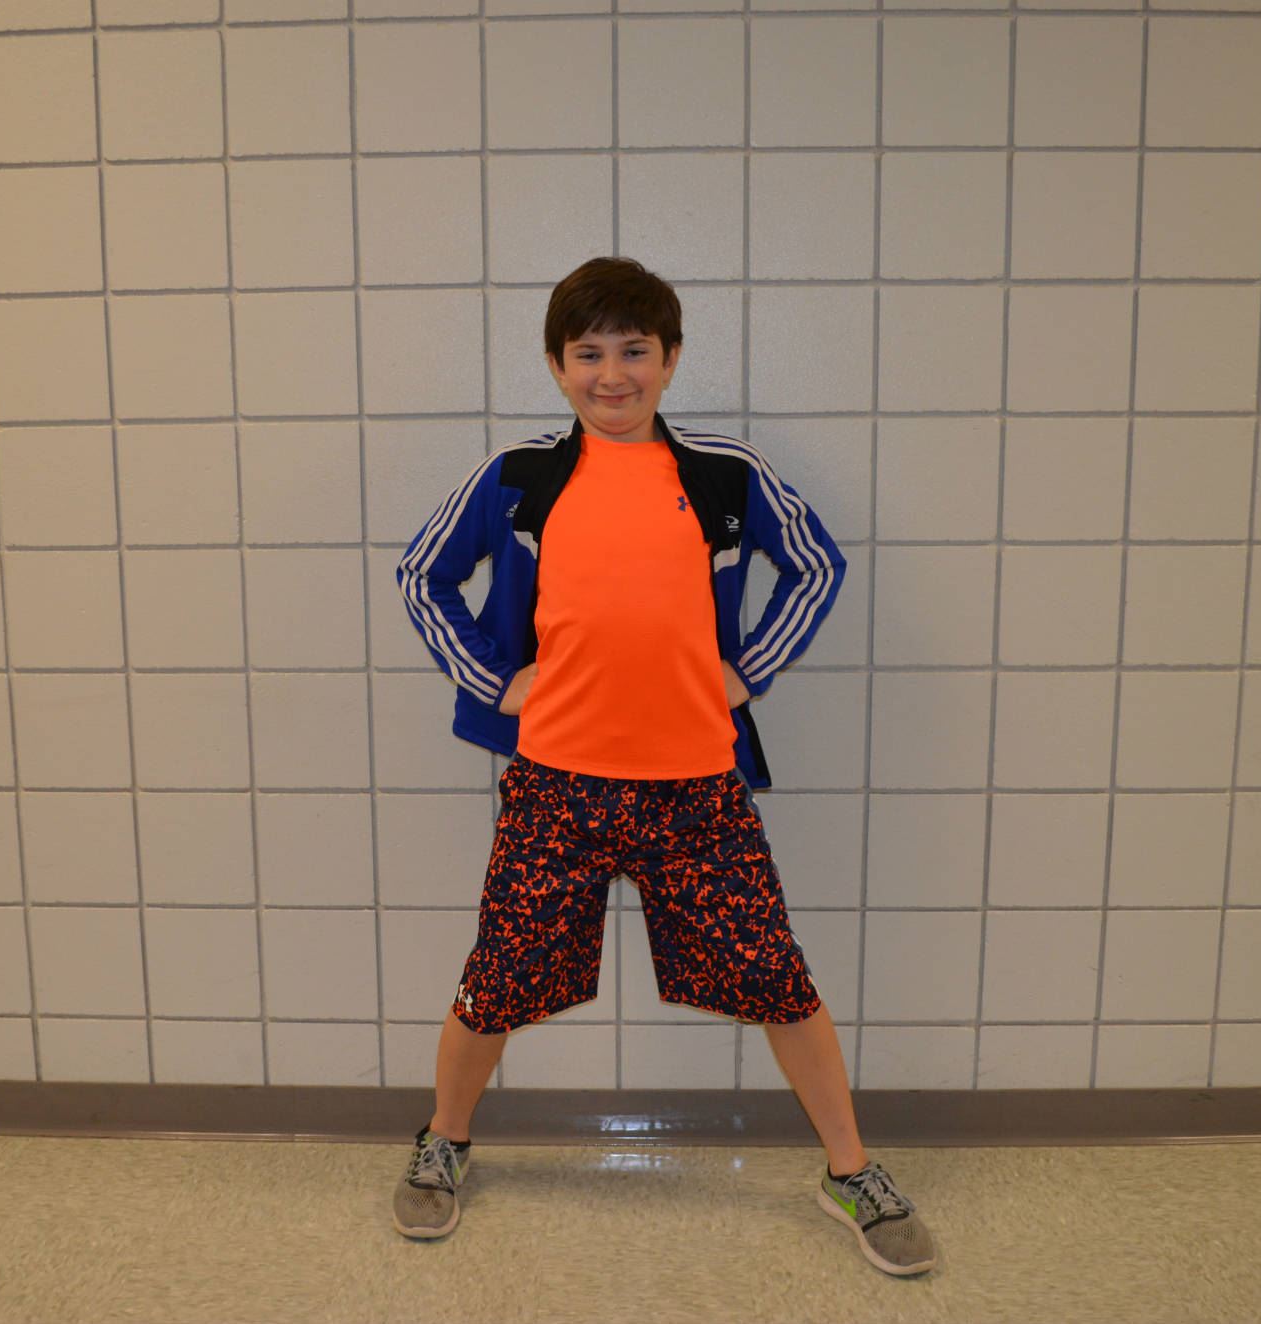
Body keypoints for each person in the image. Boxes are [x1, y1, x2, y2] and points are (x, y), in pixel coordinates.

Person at [389, 257, 936, 1277]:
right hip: (556, 784)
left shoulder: (722, 473)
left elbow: (816, 563)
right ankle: (445, 1141)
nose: (612, 374)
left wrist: (748, 671)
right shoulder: (520, 475)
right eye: (588, 353)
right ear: (557, 365)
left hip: (697, 787)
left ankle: (850, 1169)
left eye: (634, 350)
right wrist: (494, 681)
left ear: (670, 358)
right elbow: (423, 572)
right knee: (497, 980)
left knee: (777, 980)